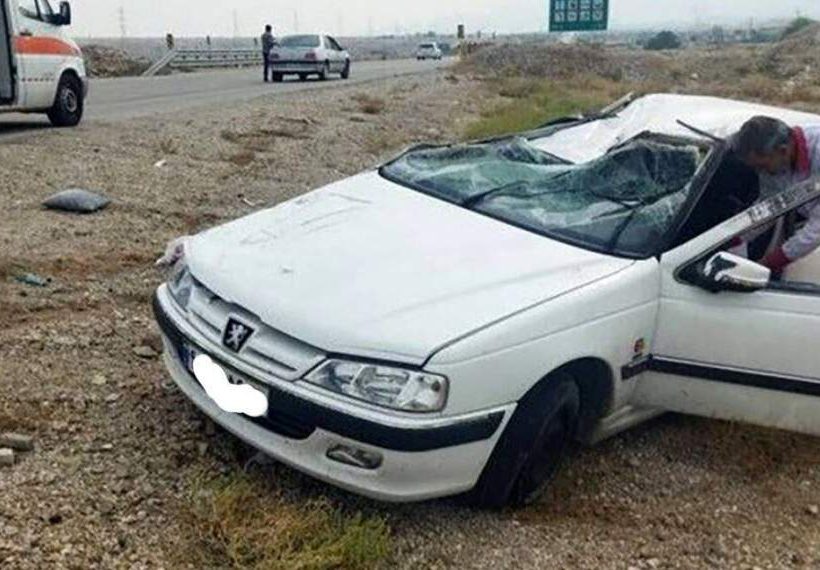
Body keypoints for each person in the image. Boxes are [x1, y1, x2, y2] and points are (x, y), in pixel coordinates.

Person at [733, 116, 820, 273]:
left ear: (783, 150)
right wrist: (733, 237)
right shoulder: (775, 160)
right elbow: (769, 206)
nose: (761, 172)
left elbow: (816, 228)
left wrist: (767, 264)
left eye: (762, 166)